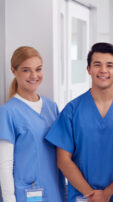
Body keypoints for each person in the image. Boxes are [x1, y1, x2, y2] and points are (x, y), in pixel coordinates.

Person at [45, 42, 113, 202]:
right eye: (97, 64)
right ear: (88, 69)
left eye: (109, 65)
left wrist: (107, 193)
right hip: (83, 197)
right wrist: (91, 194)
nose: (103, 70)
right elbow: (63, 160)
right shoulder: (72, 110)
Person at [0, 46, 65, 202]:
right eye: (26, 70)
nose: (34, 75)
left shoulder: (52, 108)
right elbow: (4, 164)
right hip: (25, 194)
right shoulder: (8, 112)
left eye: (38, 69)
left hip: (54, 190)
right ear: (14, 71)